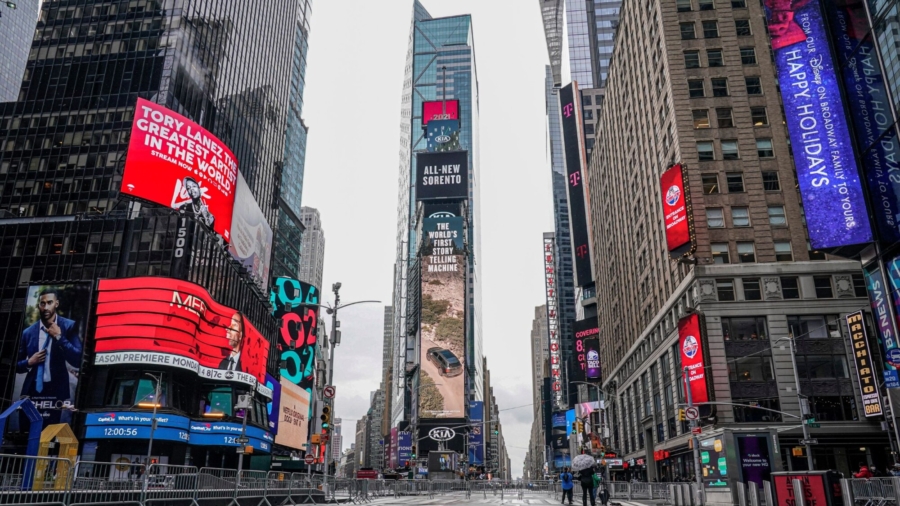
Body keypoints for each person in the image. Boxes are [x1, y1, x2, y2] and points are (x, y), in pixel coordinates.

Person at [16, 288, 83, 403]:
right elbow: (15, 365)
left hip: (56, 391)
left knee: (53, 421)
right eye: (43, 303)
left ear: (56, 304)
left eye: (49, 303)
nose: (46, 307)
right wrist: (29, 362)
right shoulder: (27, 333)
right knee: (25, 421)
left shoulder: (69, 326)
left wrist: (59, 337)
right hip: (31, 390)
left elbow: (78, 360)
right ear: (39, 306)